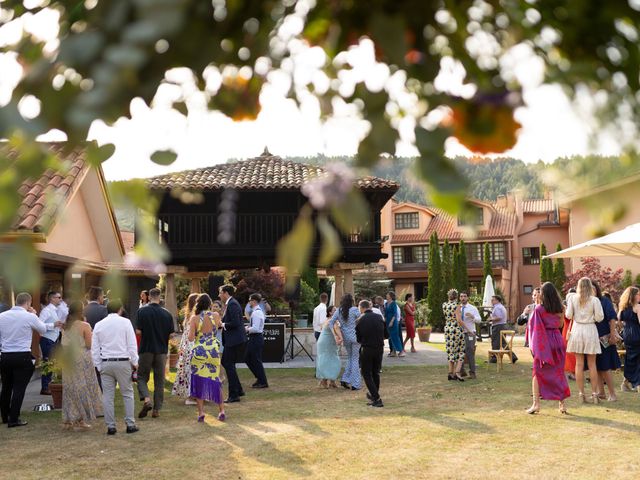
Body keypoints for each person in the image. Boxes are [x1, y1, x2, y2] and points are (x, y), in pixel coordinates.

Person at [0, 293, 59, 428]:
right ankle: (14, 419)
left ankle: (5, 416)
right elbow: (43, 329)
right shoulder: (29, 316)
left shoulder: (2, 316)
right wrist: (34, 314)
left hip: (5, 355)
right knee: (19, 388)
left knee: (6, 387)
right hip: (22, 355)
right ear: (28, 303)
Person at [91, 299, 139, 435]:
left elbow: (95, 349)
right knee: (127, 394)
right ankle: (130, 424)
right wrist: (135, 362)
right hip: (122, 361)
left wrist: (98, 365)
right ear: (120, 308)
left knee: (107, 396)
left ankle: (111, 426)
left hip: (106, 361)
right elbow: (131, 344)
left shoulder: (99, 325)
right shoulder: (125, 322)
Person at [525, 282, 571, 414]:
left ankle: (536, 404)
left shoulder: (539, 309)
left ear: (543, 294)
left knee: (537, 372)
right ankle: (562, 405)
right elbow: (561, 324)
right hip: (557, 339)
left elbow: (534, 328)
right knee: (559, 373)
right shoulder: (561, 308)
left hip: (544, 342)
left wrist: (534, 348)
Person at [61, 302, 103, 430]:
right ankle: (80, 419)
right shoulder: (85, 325)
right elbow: (89, 345)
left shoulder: (65, 326)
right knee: (82, 387)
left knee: (70, 388)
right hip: (82, 358)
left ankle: (69, 418)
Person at [135, 288, 175, 419]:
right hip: (161, 351)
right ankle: (157, 409)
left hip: (146, 349)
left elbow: (138, 332)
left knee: (141, 377)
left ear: (149, 297)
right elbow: (172, 335)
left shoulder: (141, 311)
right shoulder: (167, 314)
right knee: (159, 380)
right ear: (159, 297)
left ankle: (147, 400)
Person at [566, 277, 604, 404]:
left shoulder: (572, 298)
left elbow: (568, 315)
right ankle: (594, 394)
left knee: (579, 364)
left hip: (577, 330)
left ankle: (581, 394)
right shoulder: (595, 300)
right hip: (590, 329)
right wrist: (590, 317)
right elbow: (599, 317)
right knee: (592, 364)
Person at [188, 293, 225, 422]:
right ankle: (221, 411)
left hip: (199, 352)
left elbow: (191, 338)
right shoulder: (215, 315)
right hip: (213, 351)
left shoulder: (194, 318)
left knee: (199, 382)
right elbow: (220, 326)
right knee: (215, 380)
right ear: (209, 304)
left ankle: (201, 413)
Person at [592, 281, 621, 401]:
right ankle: (601, 392)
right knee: (596, 366)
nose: (591, 290)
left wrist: (613, 334)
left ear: (597, 289)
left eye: (593, 288)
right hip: (592, 338)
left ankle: (612, 394)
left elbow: (612, 318)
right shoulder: (587, 302)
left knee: (605, 366)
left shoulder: (604, 300)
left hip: (604, 337)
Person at [356, 300, 388, 408]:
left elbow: (358, 338)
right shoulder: (379, 317)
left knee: (366, 374)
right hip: (379, 348)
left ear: (362, 308)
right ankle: (375, 396)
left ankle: (377, 398)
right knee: (376, 372)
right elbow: (386, 334)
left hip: (367, 348)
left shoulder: (360, 320)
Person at [219, 285, 247, 403]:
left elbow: (235, 322)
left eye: (220, 293)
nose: (219, 295)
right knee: (227, 363)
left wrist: (223, 324)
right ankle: (238, 389)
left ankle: (234, 395)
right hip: (233, 340)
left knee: (227, 363)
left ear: (225, 293)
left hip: (235, 340)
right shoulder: (231, 304)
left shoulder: (232, 304)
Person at [330, 293, 362, 390]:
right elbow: (361, 318)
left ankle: (345, 379)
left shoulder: (339, 311)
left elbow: (331, 322)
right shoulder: (355, 310)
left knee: (351, 358)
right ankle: (355, 384)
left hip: (346, 338)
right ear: (351, 301)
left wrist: (335, 335)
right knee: (355, 359)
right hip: (356, 337)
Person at [172, 293, 198, 403]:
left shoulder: (188, 315)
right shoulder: (194, 317)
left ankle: (192, 395)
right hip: (191, 345)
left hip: (186, 346)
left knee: (188, 371)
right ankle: (191, 396)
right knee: (191, 371)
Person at [38, 291, 64, 395]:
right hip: (47, 340)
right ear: (52, 298)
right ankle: (44, 388)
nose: (61, 299)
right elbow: (39, 325)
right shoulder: (46, 310)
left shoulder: (55, 310)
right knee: (47, 363)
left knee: (56, 363)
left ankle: (52, 385)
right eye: (59, 297)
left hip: (55, 340)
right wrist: (53, 325)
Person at [245, 293, 269, 389]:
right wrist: (249, 328)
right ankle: (259, 378)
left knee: (255, 360)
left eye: (250, 300)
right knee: (248, 358)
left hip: (256, 337)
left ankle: (262, 381)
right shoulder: (256, 312)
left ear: (254, 301)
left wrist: (246, 329)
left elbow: (256, 328)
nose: (249, 302)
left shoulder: (257, 313)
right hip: (254, 338)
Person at [619, 286, 640, 393]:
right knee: (637, 359)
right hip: (637, 333)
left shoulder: (623, 308)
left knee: (630, 358)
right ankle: (637, 384)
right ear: (633, 296)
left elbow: (620, 321)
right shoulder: (637, 307)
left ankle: (625, 383)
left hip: (627, 335)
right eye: (638, 294)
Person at [316, 305, 342, 388]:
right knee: (331, 360)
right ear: (330, 312)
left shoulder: (327, 320)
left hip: (324, 341)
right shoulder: (332, 321)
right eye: (334, 310)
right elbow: (336, 329)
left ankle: (331, 381)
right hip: (326, 342)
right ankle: (325, 380)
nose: (336, 311)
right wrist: (341, 338)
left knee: (329, 359)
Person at [458, 292, 481, 379]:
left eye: (464, 296)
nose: (463, 298)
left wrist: (472, 317)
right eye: (461, 296)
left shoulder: (472, 308)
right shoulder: (458, 308)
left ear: (467, 298)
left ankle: (472, 373)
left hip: (470, 333)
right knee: (460, 352)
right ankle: (461, 371)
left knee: (470, 352)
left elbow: (479, 320)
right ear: (459, 298)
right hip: (459, 333)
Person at [443, 289, 465, 381]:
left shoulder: (444, 305)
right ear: (457, 297)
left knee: (450, 351)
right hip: (456, 329)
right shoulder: (457, 305)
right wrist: (467, 329)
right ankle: (457, 372)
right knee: (461, 351)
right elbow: (459, 320)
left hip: (447, 329)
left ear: (448, 296)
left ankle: (450, 373)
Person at [489, 295, 518, 364]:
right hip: (502, 325)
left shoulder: (497, 307)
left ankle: (494, 358)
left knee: (495, 342)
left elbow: (499, 317)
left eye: (493, 300)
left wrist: (491, 319)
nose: (491, 301)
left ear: (497, 300)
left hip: (498, 326)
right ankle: (513, 357)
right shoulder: (501, 307)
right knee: (503, 343)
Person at [562, 287, 577, 380]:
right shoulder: (566, 306)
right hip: (568, 329)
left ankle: (572, 371)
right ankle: (569, 371)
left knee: (571, 352)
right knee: (568, 352)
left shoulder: (568, 307)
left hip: (569, 329)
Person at [384, 292, 404, 357]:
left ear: (391, 296)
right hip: (387, 321)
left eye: (387, 294)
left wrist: (392, 321)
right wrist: (384, 319)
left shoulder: (394, 303)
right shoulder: (386, 303)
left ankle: (401, 351)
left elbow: (395, 313)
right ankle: (393, 351)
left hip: (393, 322)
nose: (386, 295)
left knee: (395, 336)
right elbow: (386, 313)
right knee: (391, 337)